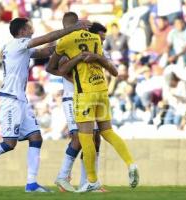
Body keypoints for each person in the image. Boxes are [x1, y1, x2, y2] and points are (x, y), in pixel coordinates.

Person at [0, 17, 91, 192]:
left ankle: (31, 183)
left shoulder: (20, 48)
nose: (32, 28)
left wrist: (69, 46)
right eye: (29, 26)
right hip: (10, 100)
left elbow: (44, 52)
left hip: (20, 100)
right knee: (9, 143)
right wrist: (74, 29)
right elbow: (47, 38)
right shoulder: (17, 44)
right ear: (23, 31)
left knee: (36, 138)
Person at [49, 12, 139, 192]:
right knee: (102, 133)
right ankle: (130, 164)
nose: (103, 40)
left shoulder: (66, 42)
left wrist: (75, 64)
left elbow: (52, 67)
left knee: (87, 137)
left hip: (84, 94)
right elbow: (110, 69)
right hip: (99, 91)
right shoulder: (95, 41)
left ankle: (90, 180)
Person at [47, 22, 109, 192]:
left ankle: (88, 182)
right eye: (100, 38)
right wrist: (78, 81)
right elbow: (56, 68)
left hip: (90, 98)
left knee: (95, 139)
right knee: (81, 139)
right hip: (73, 97)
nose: (101, 41)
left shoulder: (97, 49)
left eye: (103, 39)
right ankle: (63, 176)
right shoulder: (71, 47)